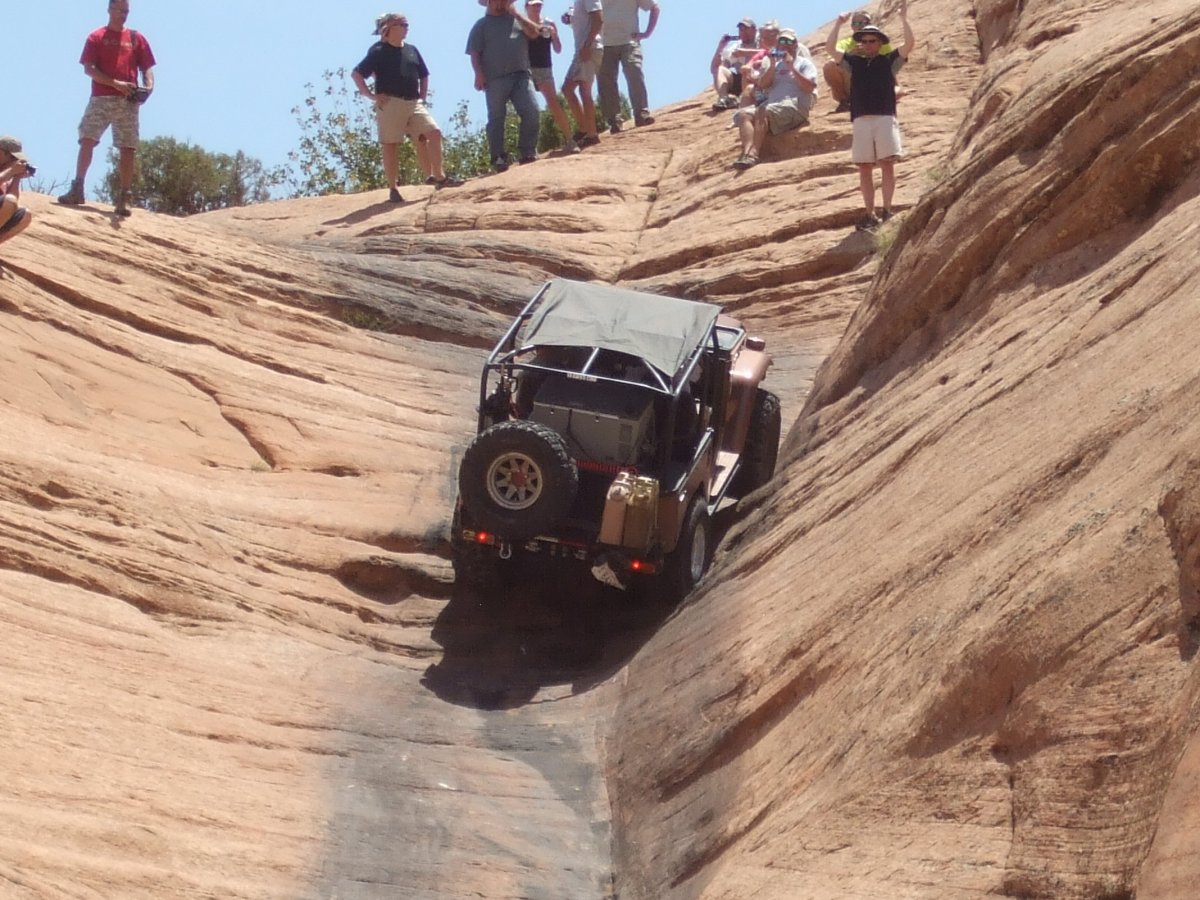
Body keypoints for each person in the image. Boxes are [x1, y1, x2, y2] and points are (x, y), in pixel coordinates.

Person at [57, 0, 155, 217]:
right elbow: (88, 69)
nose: (123, 15)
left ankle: (124, 197)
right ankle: (78, 188)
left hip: (128, 100)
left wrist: (148, 87)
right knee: (87, 139)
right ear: (109, 9)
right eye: (120, 10)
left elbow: (147, 67)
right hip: (101, 97)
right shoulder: (97, 36)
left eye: (126, 11)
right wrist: (115, 83)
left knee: (128, 146)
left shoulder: (136, 38)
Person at [353, 13, 462, 203]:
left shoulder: (412, 50)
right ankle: (393, 188)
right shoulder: (378, 51)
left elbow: (424, 74)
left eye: (406, 24)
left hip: (413, 102)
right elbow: (357, 74)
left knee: (434, 132)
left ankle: (439, 176)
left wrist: (422, 96)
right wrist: (371, 96)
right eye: (402, 24)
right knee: (391, 144)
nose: (406, 28)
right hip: (390, 103)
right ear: (389, 28)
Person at [826, 1, 915, 230]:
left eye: (872, 41)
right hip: (861, 119)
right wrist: (838, 24)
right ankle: (870, 213)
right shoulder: (854, 62)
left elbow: (909, 45)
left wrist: (904, 18)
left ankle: (887, 210)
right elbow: (830, 49)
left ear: (879, 42)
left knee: (887, 163)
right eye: (864, 41)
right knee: (864, 167)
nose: (867, 44)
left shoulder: (888, 61)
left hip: (884, 116)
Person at [468, 0, 543, 171]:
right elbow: (474, 53)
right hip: (495, 78)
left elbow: (535, 33)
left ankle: (528, 151)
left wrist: (517, 14)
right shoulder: (481, 25)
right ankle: (498, 157)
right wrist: (478, 74)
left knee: (532, 110)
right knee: (496, 118)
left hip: (521, 75)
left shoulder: (518, 20)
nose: (500, 3)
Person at [732, 28, 817, 170]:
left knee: (762, 110)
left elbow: (810, 87)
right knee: (743, 115)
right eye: (781, 42)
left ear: (795, 44)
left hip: (794, 107)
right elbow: (763, 85)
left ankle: (754, 154)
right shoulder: (776, 65)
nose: (784, 45)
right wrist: (771, 65)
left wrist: (791, 67)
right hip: (774, 107)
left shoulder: (804, 64)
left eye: (788, 41)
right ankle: (746, 152)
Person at [524, 0, 579, 154]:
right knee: (527, 107)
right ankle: (529, 148)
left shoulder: (549, 23)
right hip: (526, 69)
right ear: (527, 6)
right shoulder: (521, 23)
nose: (537, 8)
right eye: (534, 5)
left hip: (544, 68)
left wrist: (554, 36)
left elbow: (558, 49)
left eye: (539, 5)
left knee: (554, 104)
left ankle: (570, 139)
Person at [597, 0, 659, 133]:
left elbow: (654, 8)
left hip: (629, 42)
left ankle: (642, 113)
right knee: (606, 81)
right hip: (604, 44)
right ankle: (614, 121)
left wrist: (647, 33)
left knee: (634, 70)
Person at [823, 10, 894, 114]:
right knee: (831, 65)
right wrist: (850, 54)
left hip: (875, 84)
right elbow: (831, 51)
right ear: (852, 26)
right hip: (852, 83)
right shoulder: (845, 43)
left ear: (870, 24)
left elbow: (890, 66)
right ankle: (844, 101)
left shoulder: (881, 42)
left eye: (863, 23)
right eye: (856, 23)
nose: (859, 26)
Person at [561, 0, 604, 150]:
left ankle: (591, 134)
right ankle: (585, 128)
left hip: (588, 48)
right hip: (582, 49)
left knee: (584, 90)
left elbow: (598, 20)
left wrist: (587, 45)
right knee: (567, 88)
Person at [710, 18, 757, 111]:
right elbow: (715, 69)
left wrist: (746, 53)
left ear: (754, 30)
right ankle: (724, 99)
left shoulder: (761, 41)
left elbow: (767, 53)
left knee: (746, 70)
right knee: (721, 70)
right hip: (739, 82)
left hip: (757, 79)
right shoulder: (735, 47)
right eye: (741, 29)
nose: (743, 32)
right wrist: (720, 47)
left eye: (746, 29)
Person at [0, 136, 33, 247]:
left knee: (25, 215)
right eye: (13, 158)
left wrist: (17, 177)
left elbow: (11, 206)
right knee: (9, 200)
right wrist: (11, 170)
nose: (15, 161)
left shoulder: (6, 176)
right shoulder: (6, 174)